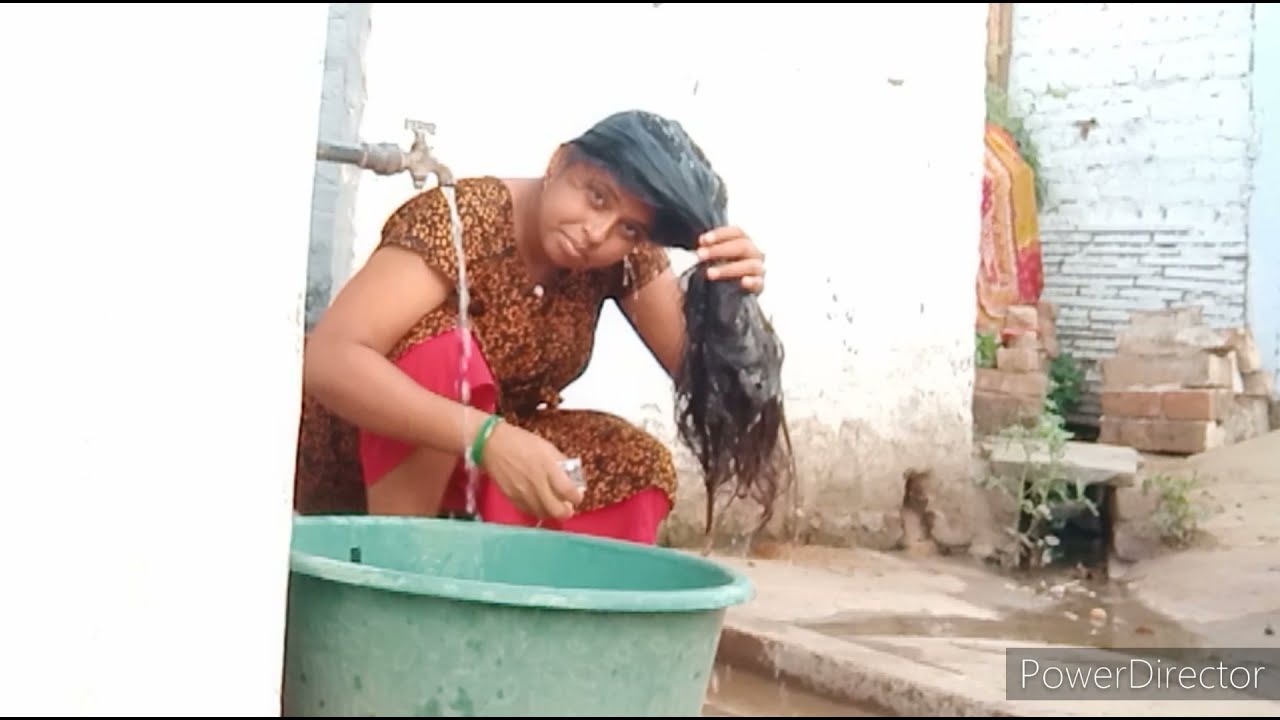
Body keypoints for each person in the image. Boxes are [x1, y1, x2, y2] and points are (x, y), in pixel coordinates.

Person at [294, 109, 794, 545]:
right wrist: (490, 438)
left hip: (480, 452)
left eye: (630, 229)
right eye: (597, 197)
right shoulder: (460, 218)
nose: (597, 233)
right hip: (355, 451)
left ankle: (540, 622)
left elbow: (707, 381)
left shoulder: (619, 256)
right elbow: (330, 359)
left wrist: (731, 296)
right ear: (558, 162)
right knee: (447, 354)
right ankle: (400, 575)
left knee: (638, 469)